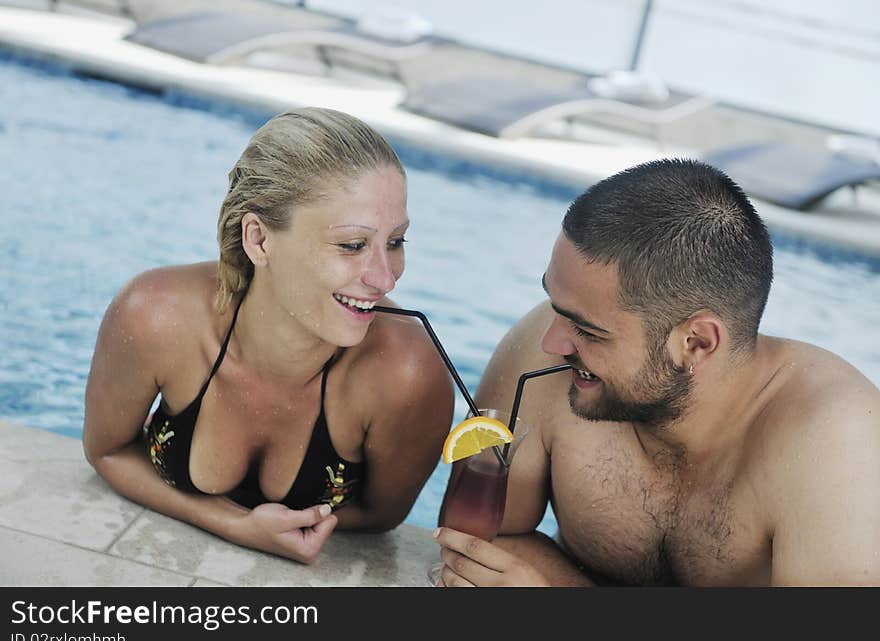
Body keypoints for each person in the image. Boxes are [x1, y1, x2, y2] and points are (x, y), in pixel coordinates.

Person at [433, 158, 880, 586]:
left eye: (589, 331)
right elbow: (477, 541)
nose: (552, 343)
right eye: (555, 304)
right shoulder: (547, 354)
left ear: (696, 343)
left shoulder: (837, 443)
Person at [83, 108, 454, 564]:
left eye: (396, 242)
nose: (385, 279)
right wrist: (234, 524)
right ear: (259, 240)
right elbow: (107, 450)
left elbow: (381, 514)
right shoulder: (155, 316)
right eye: (352, 245)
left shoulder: (407, 376)